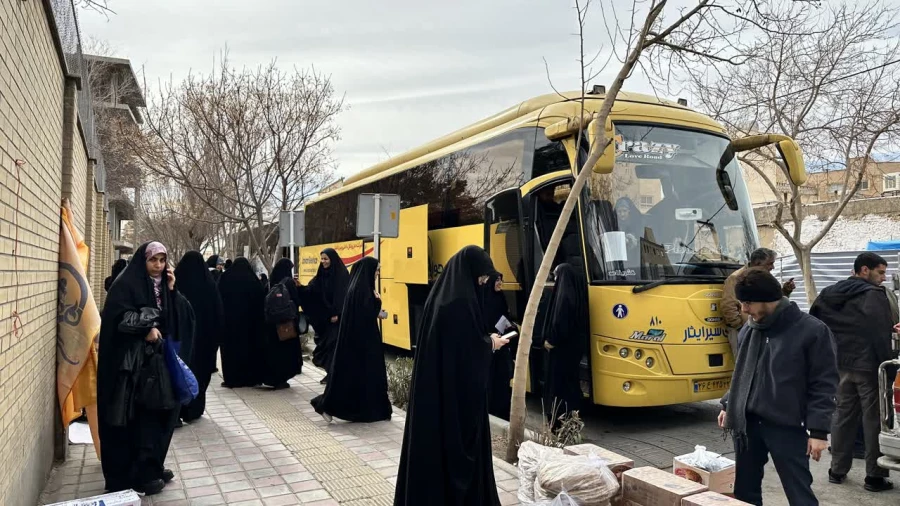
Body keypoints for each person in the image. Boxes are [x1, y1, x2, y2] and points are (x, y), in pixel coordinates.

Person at [394, 245, 510, 506]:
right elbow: (467, 354)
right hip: (452, 403)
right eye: (481, 277)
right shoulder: (459, 304)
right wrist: (490, 344)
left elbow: (457, 346)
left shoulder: (441, 298)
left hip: (436, 396)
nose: (483, 282)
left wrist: (483, 340)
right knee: (455, 456)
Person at [718, 268, 837, 506]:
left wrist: (818, 432)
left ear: (768, 299)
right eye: (742, 303)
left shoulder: (812, 331)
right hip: (748, 424)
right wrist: (728, 404)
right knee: (744, 492)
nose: (744, 310)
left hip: (787, 425)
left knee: (799, 494)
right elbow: (743, 373)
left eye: (748, 303)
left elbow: (824, 384)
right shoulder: (749, 329)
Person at [97, 241, 195, 495]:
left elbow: (176, 320)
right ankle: (134, 476)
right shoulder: (126, 285)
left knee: (159, 414)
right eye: (153, 260)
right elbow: (118, 320)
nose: (158, 266)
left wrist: (172, 290)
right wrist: (145, 329)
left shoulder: (163, 285)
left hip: (156, 365)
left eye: (162, 260)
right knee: (137, 419)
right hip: (130, 370)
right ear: (143, 260)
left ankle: (151, 467)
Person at [810, 252, 894, 492]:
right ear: (864, 270)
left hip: (840, 366)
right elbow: (880, 334)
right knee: (874, 420)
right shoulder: (874, 295)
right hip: (868, 367)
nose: (883, 277)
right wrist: (888, 368)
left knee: (842, 416)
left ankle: (837, 470)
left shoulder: (829, 293)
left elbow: (814, 323)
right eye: (880, 272)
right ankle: (874, 476)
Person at [311, 257, 392, 422]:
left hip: (359, 343)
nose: (377, 273)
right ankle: (327, 405)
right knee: (366, 377)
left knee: (355, 379)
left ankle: (331, 406)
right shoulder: (363, 291)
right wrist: (377, 301)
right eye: (376, 270)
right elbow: (368, 313)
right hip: (365, 345)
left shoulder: (356, 288)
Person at [175, 251, 224, 422]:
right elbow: (218, 314)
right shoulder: (209, 286)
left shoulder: (175, 282)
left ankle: (177, 410)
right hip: (204, 341)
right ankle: (194, 408)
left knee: (179, 372)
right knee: (200, 373)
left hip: (180, 340)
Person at [722, 248, 796, 356]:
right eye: (770, 263)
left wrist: (785, 291)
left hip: (764, 329)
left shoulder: (766, 277)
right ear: (757, 263)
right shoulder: (736, 278)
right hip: (743, 330)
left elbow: (772, 301)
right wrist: (742, 327)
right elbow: (728, 307)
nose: (773, 267)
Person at [542, 263, 588, 426]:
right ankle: (572, 419)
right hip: (574, 349)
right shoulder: (578, 296)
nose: (554, 280)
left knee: (558, 387)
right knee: (571, 384)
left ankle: (559, 421)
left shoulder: (564, 298)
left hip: (561, 350)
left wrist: (551, 341)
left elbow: (560, 323)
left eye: (556, 276)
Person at [218, 257, 266, 388]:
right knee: (250, 350)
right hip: (251, 326)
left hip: (230, 324)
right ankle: (251, 378)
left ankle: (232, 379)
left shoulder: (225, 278)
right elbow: (261, 301)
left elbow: (218, 298)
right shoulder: (253, 280)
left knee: (231, 351)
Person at [307, 248, 350, 384]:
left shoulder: (342, 275)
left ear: (332, 259)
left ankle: (333, 376)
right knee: (324, 349)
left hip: (337, 321)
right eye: (322, 259)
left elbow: (343, 296)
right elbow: (312, 289)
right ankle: (330, 374)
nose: (323, 261)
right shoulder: (321, 275)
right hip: (325, 320)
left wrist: (337, 313)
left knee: (333, 348)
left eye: (326, 259)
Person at [261, 258, 303, 389]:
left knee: (274, 352)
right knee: (286, 353)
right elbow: (296, 300)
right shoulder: (289, 282)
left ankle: (273, 378)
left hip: (272, 324)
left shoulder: (270, 281)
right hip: (286, 324)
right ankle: (281, 379)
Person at [482, 271, 515, 421]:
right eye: (497, 280)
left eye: (501, 280)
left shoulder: (501, 297)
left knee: (502, 383)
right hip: (489, 347)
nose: (500, 283)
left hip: (502, 349)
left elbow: (505, 318)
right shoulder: (483, 299)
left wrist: (507, 328)